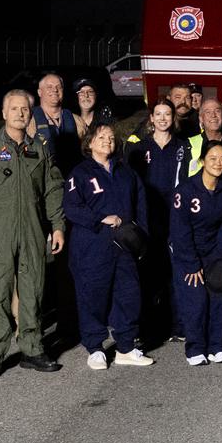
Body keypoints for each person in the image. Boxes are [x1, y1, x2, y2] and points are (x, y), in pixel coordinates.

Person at [0, 89, 68, 378]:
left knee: (33, 289)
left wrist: (57, 226)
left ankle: (32, 348)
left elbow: (52, 189)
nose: (21, 114)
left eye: (25, 110)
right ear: (4, 113)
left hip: (33, 231)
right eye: (15, 109)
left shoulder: (40, 149)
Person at [65, 122, 152, 369]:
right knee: (92, 296)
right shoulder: (80, 173)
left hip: (123, 245)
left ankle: (126, 346)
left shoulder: (126, 172)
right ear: (90, 142)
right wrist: (100, 219)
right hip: (92, 246)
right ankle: (95, 348)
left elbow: (141, 205)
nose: (107, 141)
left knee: (128, 294)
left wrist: (141, 238)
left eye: (111, 138)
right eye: (101, 137)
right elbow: (71, 207)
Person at [170, 140, 222, 366]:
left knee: (219, 296)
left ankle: (217, 346)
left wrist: (221, 256)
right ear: (202, 161)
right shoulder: (186, 190)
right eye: (212, 158)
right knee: (196, 300)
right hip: (187, 250)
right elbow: (179, 230)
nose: (218, 163)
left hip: (215, 249)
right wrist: (191, 263)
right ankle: (195, 348)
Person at [129, 100, 191, 341]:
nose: (163, 118)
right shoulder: (138, 148)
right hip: (147, 220)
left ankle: (178, 326)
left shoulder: (183, 147)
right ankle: (147, 328)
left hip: (174, 220)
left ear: (173, 118)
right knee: (147, 275)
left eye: (168, 114)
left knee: (175, 274)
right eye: (159, 114)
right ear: (151, 119)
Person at [33, 72, 82, 171]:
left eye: (58, 87)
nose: (55, 90)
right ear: (39, 92)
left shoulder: (77, 121)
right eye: (49, 87)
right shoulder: (29, 120)